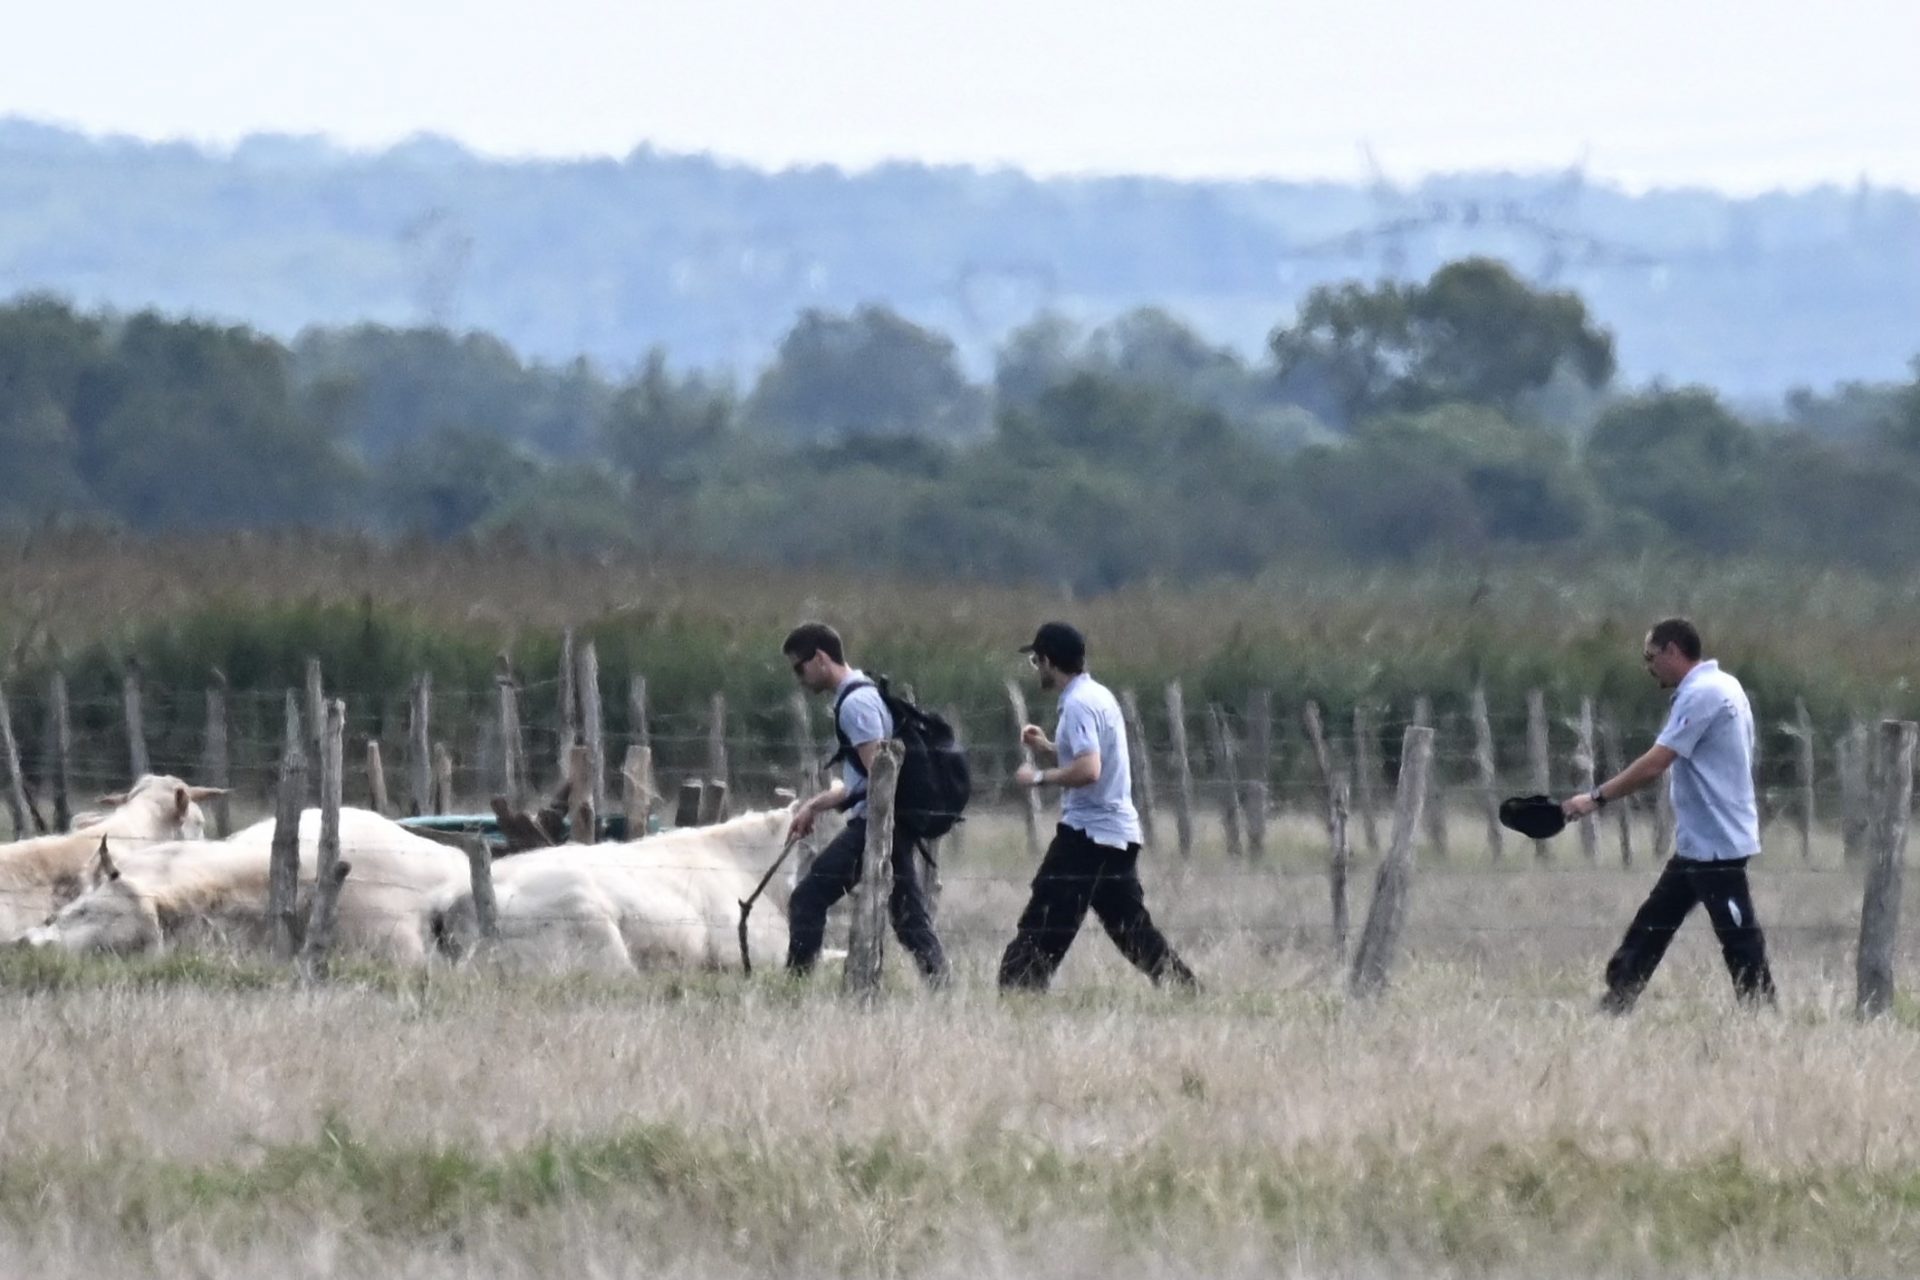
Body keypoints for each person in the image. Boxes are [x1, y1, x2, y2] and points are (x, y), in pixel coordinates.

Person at [1562, 617, 1776, 1013]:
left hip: (1717, 838)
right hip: (1701, 837)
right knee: (1656, 920)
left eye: (1651, 656)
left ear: (1673, 651)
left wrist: (1595, 798)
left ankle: (1761, 1010)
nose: (1649, 667)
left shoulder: (1704, 694)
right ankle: (1618, 997)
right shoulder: (1723, 684)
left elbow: (1655, 763)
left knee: (1737, 932)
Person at [997, 621, 1197, 993]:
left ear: (1049, 660)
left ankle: (1017, 993)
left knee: (1043, 922)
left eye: (1036, 660)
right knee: (1132, 931)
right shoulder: (1099, 696)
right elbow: (1093, 757)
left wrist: (1038, 778)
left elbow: (1089, 770)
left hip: (1087, 837)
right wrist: (1051, 749)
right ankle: (1185, 990)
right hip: (1117, 835)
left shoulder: (1077, 705)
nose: (1037, 669)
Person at [781, 621, 949, 986]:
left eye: (800, 667)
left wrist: (866, 828)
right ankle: (943, 986)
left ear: (821, 658)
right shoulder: (862, 692)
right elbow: (865, 779)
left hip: (876, 825)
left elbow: (880, 778)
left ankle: (793, 990)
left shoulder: (854, 705)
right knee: (909, 919)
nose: (799, 677)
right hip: (889, 823)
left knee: (807, 899)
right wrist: (815, 806)